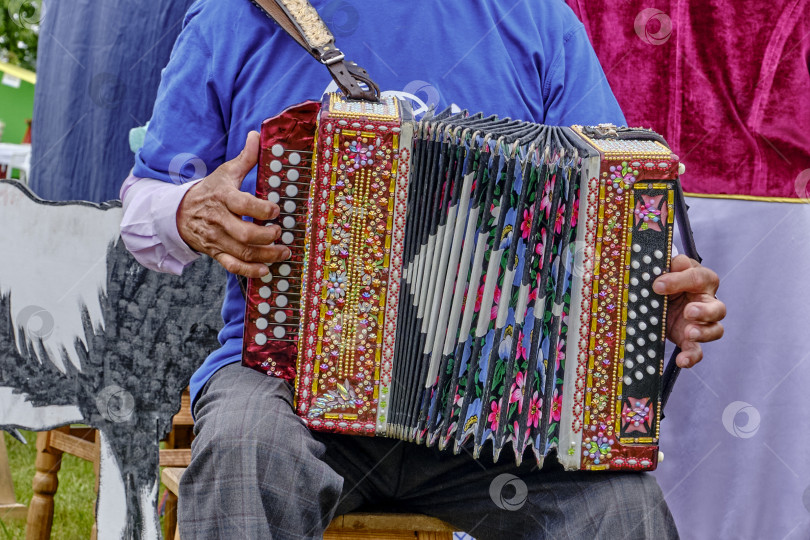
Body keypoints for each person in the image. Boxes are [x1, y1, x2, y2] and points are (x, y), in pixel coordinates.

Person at [120, 1, 726, 537]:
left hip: (503, 399)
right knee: (246, 450)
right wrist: (186, 211)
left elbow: (613, 211)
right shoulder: (239, 13)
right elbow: (144, 201)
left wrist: (646, 300)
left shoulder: (538, 20)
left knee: (620, 507)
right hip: (287, 380)